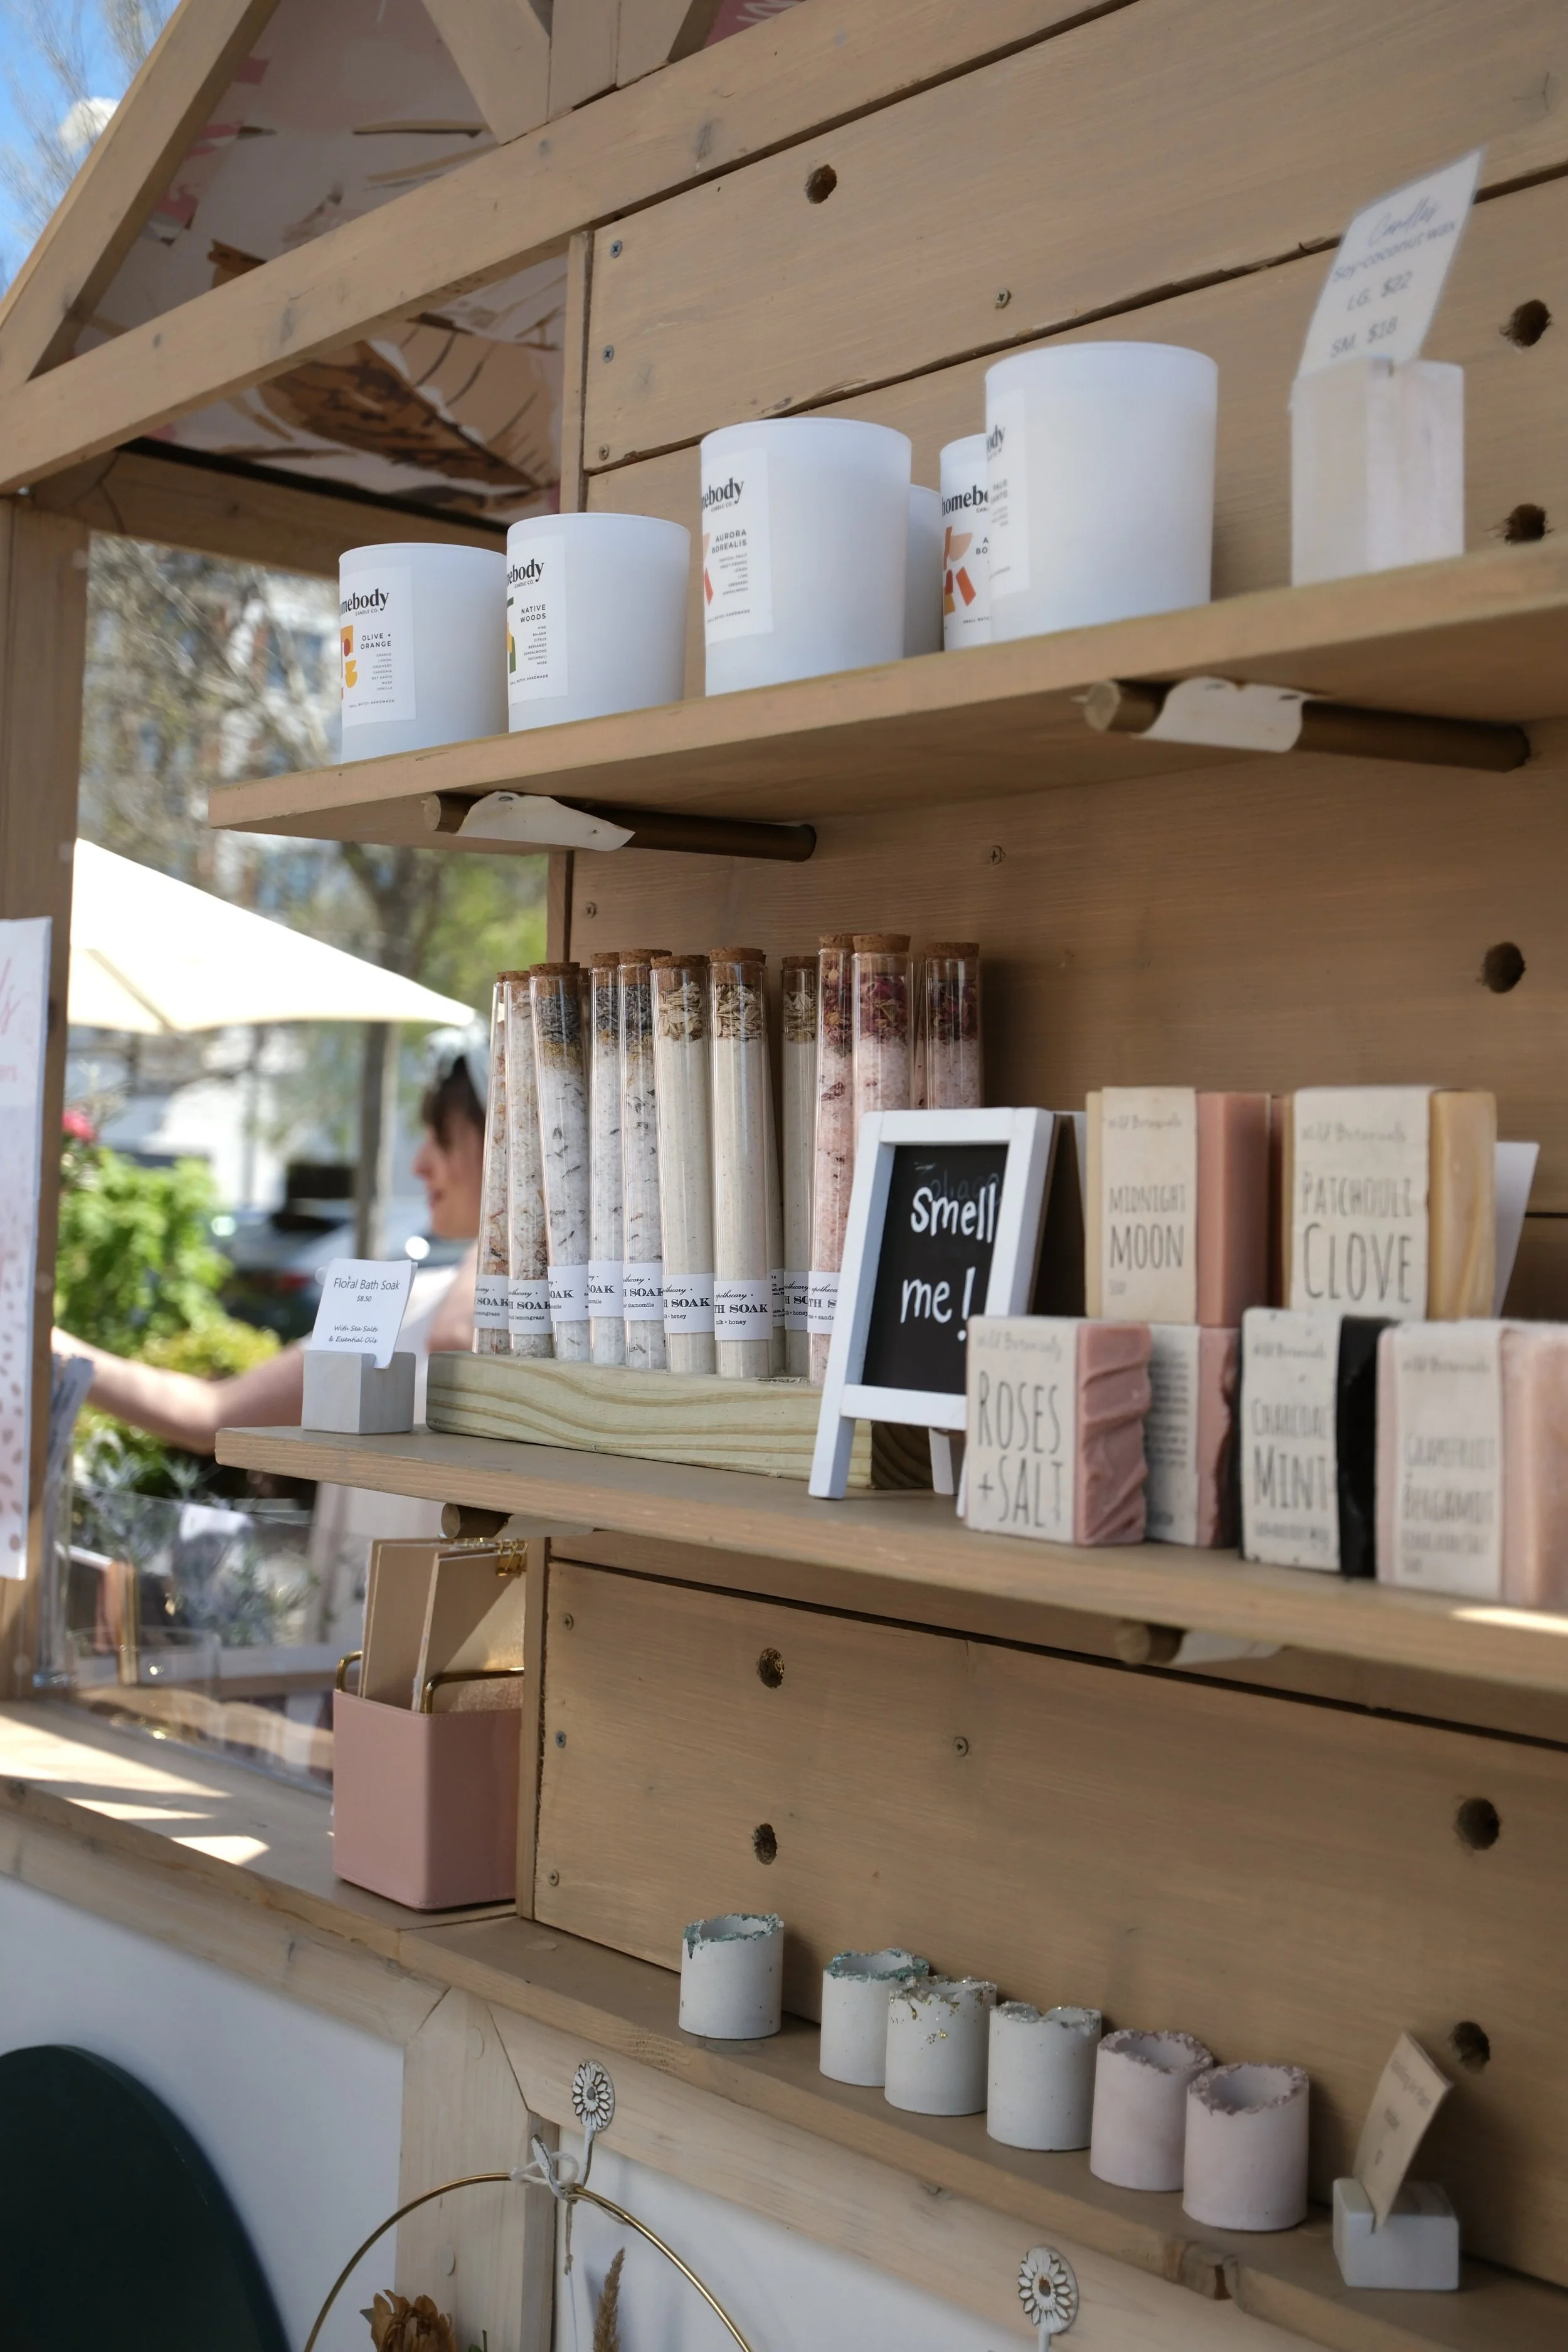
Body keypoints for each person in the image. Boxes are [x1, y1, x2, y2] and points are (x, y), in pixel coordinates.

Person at [55, 1054, 485, 1448]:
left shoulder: (485, 1311)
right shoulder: (405, 1300)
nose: (419, 1164)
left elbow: (454, 1338)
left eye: (443, 1137)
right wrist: (48, 1343)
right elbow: (217, 1414)